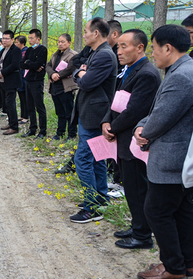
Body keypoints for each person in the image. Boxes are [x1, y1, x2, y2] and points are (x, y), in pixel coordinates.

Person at [134, 25, 193, 279]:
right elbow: (159, 110)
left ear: (168, 48)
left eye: (154, 48)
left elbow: (161, 117)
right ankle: (186, 262)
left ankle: (173, 268)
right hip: (180, 159)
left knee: (156, 211)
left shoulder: (181, 77)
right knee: (180, 212)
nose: (152, 53)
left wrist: (143, 132)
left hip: (171, 159)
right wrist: (142, 124)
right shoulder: (184, 69)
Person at [99, 29, 161, 250]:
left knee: (137, 190)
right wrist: (106, 121)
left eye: (124, 46)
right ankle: (137, 227)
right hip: (121, 138)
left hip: (134, 144)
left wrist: (112, 128)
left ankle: (143, 235)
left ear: (140, 47)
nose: (119, 51)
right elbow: (115, 100)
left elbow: (135, 111)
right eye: (118, 46)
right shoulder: (128, 70)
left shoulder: (147, 73)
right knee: (131, 189)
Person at [69, 17, 117, 223]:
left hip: (96, 116)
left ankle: (92, 206)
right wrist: (80, 71)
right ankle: (101, 197)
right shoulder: (96, 53)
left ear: (96, 33)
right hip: (90, 113)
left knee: (83, 159)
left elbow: (86, 82)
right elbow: (76, 71)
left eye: (86, 31)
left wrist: (81, 73)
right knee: (98, 157)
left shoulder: (104, 55)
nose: (84, 34)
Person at [45, 34, 78, 140]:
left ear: (69, 43)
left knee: (69, 112)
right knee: (59, 112)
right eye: (59, 41)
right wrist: (52, 74)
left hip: (66, 87)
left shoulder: (73, 55)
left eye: (63, 42)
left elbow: (71, 68)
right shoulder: (55, 54)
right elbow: (48, 65)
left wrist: (58, 75)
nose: (60, 44)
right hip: (55, 87)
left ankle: (72, 134)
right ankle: (60, 132)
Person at [20, 29, 48, 138]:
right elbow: (22, 64)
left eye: (32, 38)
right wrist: (31, 64)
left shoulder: (42, 50)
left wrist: (30, 63)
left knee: (39, 106)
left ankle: (42, 131)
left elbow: (38, 65)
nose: (30, 40)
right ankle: (32, 129)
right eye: (29, 38)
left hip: (37, 81)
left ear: (38, 39)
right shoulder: (29, 51)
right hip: (28, 80)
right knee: (30, 106)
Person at [0, 30, 22, 135]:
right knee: (6, 103)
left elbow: (15, 65)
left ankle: (14, 127)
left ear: (12, 39)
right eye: (3, 38)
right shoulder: (3, 50)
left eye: (7, 38)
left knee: (10, 103)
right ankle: (11, 122)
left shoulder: (15, 50)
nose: (4, 40)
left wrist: (2, 73)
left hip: (11, 80)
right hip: (2, 80)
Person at [14, 35, 28, 123]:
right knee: (21, 97)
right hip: (19, 77)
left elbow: (21, 64)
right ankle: (22, 115)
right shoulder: (18, 51)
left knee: (25, 98)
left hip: (24, 77)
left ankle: (26, 116)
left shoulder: (25, 52)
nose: (15, 44)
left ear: (22, 43)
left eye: (17, 42)